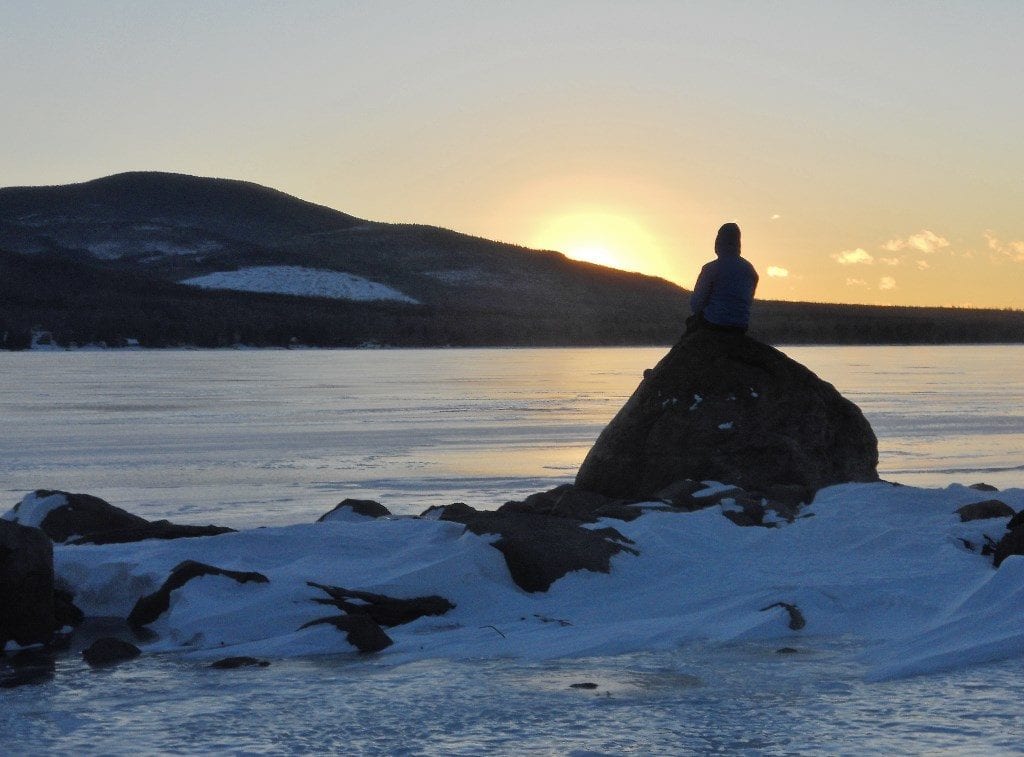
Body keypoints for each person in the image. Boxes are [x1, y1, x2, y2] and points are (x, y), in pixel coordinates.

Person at [686, 222, 758, 335]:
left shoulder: (710, 268)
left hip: (715, 324)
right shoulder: (750, 270)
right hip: (741, 326)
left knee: (691, 323)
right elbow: (747, 301)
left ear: (719, 242)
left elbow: (696, 305)